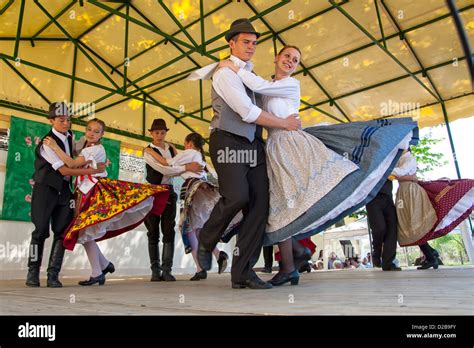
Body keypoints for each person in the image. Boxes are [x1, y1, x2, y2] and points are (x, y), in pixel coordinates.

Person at [218, 43, 417, 284]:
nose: (290, 61)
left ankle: (292, 261)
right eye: (287, 56)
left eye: (295, 60)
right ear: (276, 58)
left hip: (292, 145)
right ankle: (292, 259)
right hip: (273, 148)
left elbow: (259, 86)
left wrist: (233, 67)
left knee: (295, 199)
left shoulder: (290, 84)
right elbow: (254, 104)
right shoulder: (263, 88)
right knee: (280, 205)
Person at [192, 19, 301, 290]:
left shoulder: (250, 75)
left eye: (254, 43)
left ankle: (243, 272)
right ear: (231, 43)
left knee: (260, 207)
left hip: (254, 145)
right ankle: (207, 239)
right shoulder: (225, 73)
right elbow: (247, 112)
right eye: (245, 42)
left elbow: (263, 95)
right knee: (237, 195)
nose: (251, 47)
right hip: (227, 140)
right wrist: (285, 124)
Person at [44, 118, 169, 286]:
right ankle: (102, 267)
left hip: (94, 191)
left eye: (96, 131)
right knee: (84, 232)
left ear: (102, 135)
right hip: (84, 191)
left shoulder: (96, 149)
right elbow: (74, 154)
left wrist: (54, 147)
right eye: (89, 129)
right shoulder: (86, 147)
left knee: (84, 231)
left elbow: (72, 163)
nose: (91, 133)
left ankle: (100, 269)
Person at [26, 102, 106, 288]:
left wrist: (95, 166)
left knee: (62, 232)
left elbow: (78, 159)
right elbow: (65, 170)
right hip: (45, 190)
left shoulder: (71, 137)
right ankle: (32, 273)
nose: (66, 123)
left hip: (65, 192)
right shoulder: (47, 143)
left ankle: (53, 275)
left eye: (68, 120)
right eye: (61, 120)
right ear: (52, 120)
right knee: (39, 232)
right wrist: (93, 171)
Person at [144, 132, 233, 281]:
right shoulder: (199, 157)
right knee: (197, 228)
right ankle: (215, 255)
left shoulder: (189, 152)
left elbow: (168, 163)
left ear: (189, 143)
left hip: (192, 189)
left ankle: (202, 266)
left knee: (187, 228)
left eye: (185, 145)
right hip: (203, 190)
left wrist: (150, 151)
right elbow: (186, 165)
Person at [142, 119, 203, 282]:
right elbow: (164, 169)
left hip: (169, 192)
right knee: (152, 232)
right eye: (156, 132)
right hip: (153, 191)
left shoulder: (171, 148)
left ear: (166, 133)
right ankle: (155, 270)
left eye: (162, 132)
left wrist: (189, 170)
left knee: (168, 230)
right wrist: (187, 168)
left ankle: (166, 269)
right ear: (151, 133)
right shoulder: (147, 151)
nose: (160, 135)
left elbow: (177, 165)